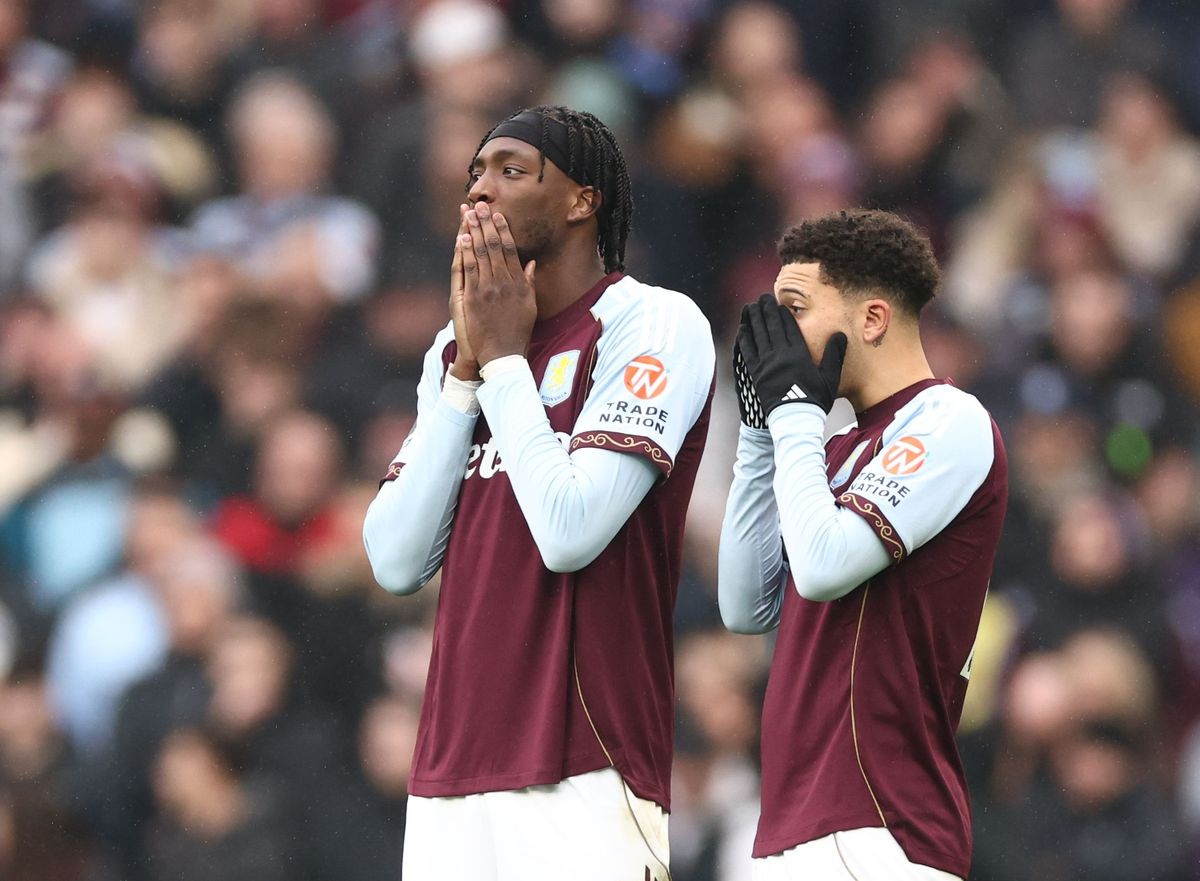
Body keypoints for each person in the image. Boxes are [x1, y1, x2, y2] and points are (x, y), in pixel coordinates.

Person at [361, 105, 715, 879]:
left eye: (512, 170)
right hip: (449, 771)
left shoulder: (653, 322)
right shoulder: (454, 349)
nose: (479, 191)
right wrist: (465, 376)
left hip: (585, 765)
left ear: (583, 200)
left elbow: (570, 530)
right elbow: (394, 560)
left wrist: (503, 363)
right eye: (475, 174)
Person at [718, 209, 1008, 880]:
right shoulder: (834, 449)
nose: (775, 335)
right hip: (797, 825)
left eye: (795, 309)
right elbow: (744, 603)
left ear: (873, 319)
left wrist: (794, 413)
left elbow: (824, 567)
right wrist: (760, 432)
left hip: (881, 826)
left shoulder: (948, 419)